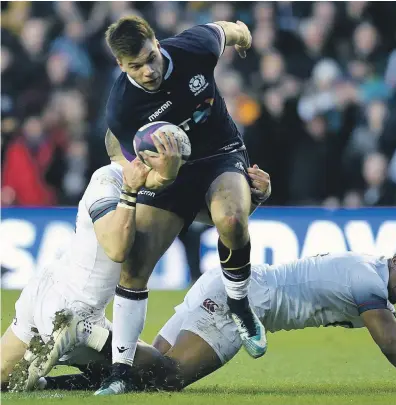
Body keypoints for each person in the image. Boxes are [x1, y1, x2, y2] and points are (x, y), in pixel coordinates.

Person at [0, 128, 272, 392]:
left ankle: (45, 385)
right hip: (73, 312)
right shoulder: (108, 179)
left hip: (46, 293)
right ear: (139, 149)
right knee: (161, 372)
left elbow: (216, 216)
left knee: (2, 381)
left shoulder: (147, 188)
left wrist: (253, 198)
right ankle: (80, 333)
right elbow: (116, 249)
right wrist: (130, 192)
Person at [35, 235, 396, 393]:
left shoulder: (373, 284)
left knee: (141, 378)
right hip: (248, 303)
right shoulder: (368, 280)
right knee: (168, 377)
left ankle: (46, 381)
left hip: (229, 282)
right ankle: (87, 330)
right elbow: (393, 347)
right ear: (395, 258)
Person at [100, 15, 266, 394]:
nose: (147, 71)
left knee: (233, 220)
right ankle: (120, 372)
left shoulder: (195, 46)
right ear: (120, 66)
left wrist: (244, 37)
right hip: (167, 172)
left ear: (156, 43)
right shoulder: (122, 109)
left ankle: (240, 307)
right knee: (135, 264)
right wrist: (164, 173)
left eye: (149, 58)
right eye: (135, 66)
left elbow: (230, 29)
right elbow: (142, 169)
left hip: (219, 153)